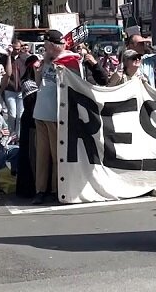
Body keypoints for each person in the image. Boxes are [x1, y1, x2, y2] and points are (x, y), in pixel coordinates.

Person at [31, 30, 108, 204]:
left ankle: (56, 188)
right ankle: (40, 189)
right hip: (42, 111)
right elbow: (40, 84)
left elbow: (75, 83)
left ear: (51, 45)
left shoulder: (69, 59)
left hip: (56, 113)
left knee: (56, 153)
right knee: (42, 155)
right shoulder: (46, 60)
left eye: (46, 44)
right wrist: (39, 70)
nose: (44, 47)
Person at [15, 54, 41, 199]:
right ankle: (28, 188)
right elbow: (32, 102)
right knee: (29, 155)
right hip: (29, 122)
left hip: (38, 122)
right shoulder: (27, 83)